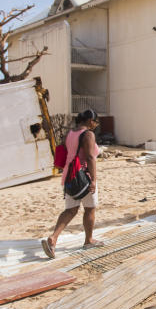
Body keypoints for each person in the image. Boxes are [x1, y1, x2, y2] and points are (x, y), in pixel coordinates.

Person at [41, 109, 102, 257]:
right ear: (89, 121)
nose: (95, 124)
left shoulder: (70, 133)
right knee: (90, 208)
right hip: (83, 176)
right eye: (95, 121)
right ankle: (88, 240)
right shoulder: (88, 134)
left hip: (69, 175)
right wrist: (93, 180)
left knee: (70, 210)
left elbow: (63, 151)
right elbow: (90, 157)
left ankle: (53, 238)